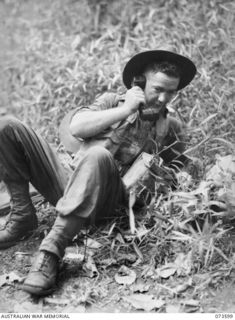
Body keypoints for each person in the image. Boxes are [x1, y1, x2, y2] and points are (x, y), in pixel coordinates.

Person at [0, 50, 197, 295]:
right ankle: (22, 217)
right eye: (158, 89)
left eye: (171, 92)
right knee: (7, 126)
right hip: (68, 183)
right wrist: (125, 110)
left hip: (107, 202)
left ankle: (51, 251)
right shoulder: (112, 102)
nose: (163, 98)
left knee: (98, 155)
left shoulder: (170, 126)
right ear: (140, 81)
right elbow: (77, 126)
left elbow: (182, 168)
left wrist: (176, 181)